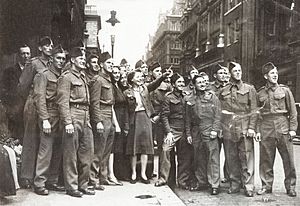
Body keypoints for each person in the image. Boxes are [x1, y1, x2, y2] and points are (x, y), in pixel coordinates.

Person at [57, 47, 94, 197]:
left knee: (87, 152)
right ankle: (72, 187)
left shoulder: (83, 77)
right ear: (72, 60)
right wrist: (68, 122)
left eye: (84, 58)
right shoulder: (66, 77)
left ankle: (83, 185)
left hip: (85, 115)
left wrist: (89, 119)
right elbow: (63, 102)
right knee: (71, 153)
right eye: (80, 58)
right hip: (73, 114)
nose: (83, 60)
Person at [256, 62, 297, 197]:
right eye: (272, 73)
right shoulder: (260, 93)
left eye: (276, 73)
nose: (275, 75)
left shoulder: (285, 90)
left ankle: (290, 186)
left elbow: (293, 111)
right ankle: (266, 185)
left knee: (288, 159)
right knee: (266, 159)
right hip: (266, 126)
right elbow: (256, 114)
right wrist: (257, 130)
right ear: (265, 76)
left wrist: (292, 129)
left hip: (282, 125)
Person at [17, 36, 53, 188]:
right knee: (30, 139)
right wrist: (31, 98)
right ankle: (26, 176)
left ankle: (42, 177)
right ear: (40, 48)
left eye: (51, 45)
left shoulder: (53, 63)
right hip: (33, 105)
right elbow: (22, 86)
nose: (50, 47)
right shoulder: (33, 63)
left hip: (47, 105)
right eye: (46, 45)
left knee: (44, 141)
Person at [124, 69, 170, 184]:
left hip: (145, 118)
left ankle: (143, 174)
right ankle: (134, 173)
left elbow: (155, 84)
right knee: (134, 148)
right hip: (133, 119)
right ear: (132, 79)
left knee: (145, 147)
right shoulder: (127, 92)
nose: (141, 78)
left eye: (141, 76)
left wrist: (163, 76)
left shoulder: (145, 88)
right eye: (138, 77)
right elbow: (125, 109)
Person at [219, 62, 258, 197]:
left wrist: (252, 127)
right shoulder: (223, 90)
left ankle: (248, 185)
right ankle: (234, 184)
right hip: (229, 128)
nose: (238, 73)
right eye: (235, 71)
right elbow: (219, 111)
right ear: (230, 73)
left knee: (247, 156)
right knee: (231, 157)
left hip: (244, 126)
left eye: (239, 70)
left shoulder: (249, 88)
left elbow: (254, 110)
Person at [32, 45, 67, 195]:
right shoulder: (43, 75)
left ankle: (52, 181)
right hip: (49, 114)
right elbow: (39, 99)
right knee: (45, 150)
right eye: (58, 58)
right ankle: (39, 183)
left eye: (63, 59)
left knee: (58, 150)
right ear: (51, 59)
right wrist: (44, 119)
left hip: (61, 116)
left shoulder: (63, 76)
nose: (61, 61)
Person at [185, 74, 221, 195]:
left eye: (203, 82)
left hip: (209, 129)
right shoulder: (190, 99)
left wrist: (215, 130)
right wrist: (189, 134)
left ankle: (214, 184)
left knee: (213, 158)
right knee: (199, 158)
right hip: (196, 131)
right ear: (194, 85)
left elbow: (218, 115)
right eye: (199, 82)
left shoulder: (212, 97)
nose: (202, 84)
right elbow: (187, 119)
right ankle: (202, 182)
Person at [89, 52, 120, 189]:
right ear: (101, 64)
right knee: (99, 150)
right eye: (108, 63)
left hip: (110, 115)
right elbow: (94, 103)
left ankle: (103, 176)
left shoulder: (109, 80)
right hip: (102, 115)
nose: (111, 65)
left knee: (107, 151)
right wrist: (98, 121)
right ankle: (93, 179)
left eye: (112, 63)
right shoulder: (98, 80)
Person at [155, 73, 189, 189]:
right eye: (179, 82)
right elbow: (164, 116)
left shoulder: (186, 97)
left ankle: (182, 181)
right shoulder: (168, 97)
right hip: (172, 129)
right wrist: (168, 132)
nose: (181, 84)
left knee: (184, 156)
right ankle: (163, 178)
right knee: (165, 150)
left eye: (183, 82)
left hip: (184, 129)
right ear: (174, 84)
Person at [1, 44, 31, 142]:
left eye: (28, 53)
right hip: (15, 109)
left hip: (28, 108)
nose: (26, 56)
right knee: (16, 137)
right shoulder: (10, 71)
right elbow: (4, 90)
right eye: (23, 54)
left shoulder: (33, 71)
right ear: (18, 55)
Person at [210, 64, 230, 183]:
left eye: (225, 73)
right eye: (220, 73)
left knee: (230, 153)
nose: (223, 75)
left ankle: (228, 176)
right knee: (214, 153)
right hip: (214, 124)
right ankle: (214, 179)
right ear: (215, 75)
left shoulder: (230, 87)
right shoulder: (210, 88)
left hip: (227, 124)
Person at [111, 66, 130, 182]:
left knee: (121, 146)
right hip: (116, 117)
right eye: (114, 73)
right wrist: (116, 124)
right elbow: (112, 106)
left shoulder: (120, 87)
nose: (117, 75)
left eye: (118, 73)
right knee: (116, 147)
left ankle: (121, 173)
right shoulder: (112, 87)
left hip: (123, 117)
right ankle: (117, 173)